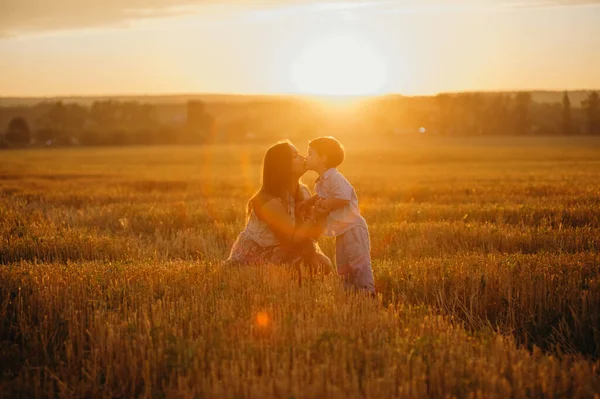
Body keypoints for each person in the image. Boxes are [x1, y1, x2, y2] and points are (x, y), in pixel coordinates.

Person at [226, 141, 331, 270]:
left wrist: (319, 220)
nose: (303, 157)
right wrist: (315, 217)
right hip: (258, 255)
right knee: (304, 268)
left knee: (322, 265)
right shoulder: (269, 201)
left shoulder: (303, 191)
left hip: (287, 249)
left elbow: (309, 236)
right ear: (282, 166)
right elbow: (290, 243)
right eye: (295, 156)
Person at [303, 136, 375, 294]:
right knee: (343, 266)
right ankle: (350, 295)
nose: (306, 157)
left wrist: (324, 204)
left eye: (310, 154)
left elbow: (343, 198)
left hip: (353, 229)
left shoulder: (335, 177)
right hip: (342, 231)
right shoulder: (323, 180)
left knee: (359, 264)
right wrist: (309, 202)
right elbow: (321, 194)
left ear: (323, 158)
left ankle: (368, 292)